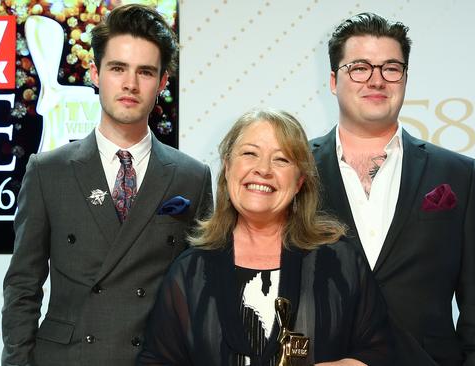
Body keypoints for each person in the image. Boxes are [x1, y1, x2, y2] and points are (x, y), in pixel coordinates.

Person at [1, 4, 213, 366]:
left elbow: (203, 290)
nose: (130, 84)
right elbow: (23, 287)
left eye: (145, 72)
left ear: (162, 83)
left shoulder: (191, 177)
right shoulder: (48, 172)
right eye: (118, 68)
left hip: (155, 357)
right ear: (96, 74)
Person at [310, 13, 475, 366]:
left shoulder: (458, 174)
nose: (377, 80)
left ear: (405, 79)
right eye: (360, 68)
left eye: (391, 68)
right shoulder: (295, 170)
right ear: (334, 80)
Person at [137, 109, 392, 366]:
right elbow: (157, 360)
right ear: (227, 167)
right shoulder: (189, 270)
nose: (263, 170)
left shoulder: (341, 263)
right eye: (249, 154)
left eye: (281, 160)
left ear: (300, 180)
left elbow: (381, 353)